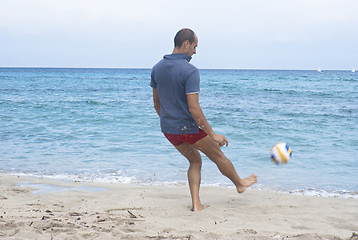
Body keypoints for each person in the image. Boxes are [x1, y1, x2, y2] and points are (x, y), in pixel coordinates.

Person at [150, 28, 257, 211]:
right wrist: (213, 134)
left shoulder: (157, 68)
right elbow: (194, 108)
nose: (195, 52)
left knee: (195, 161)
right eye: (194, 46)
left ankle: (196, 204)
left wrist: (170, 124)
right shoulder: (190, 71)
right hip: (188, 128)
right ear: (186, 44)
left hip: (168, 129)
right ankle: (239, 184)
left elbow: (157, 104)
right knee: (218, 155)